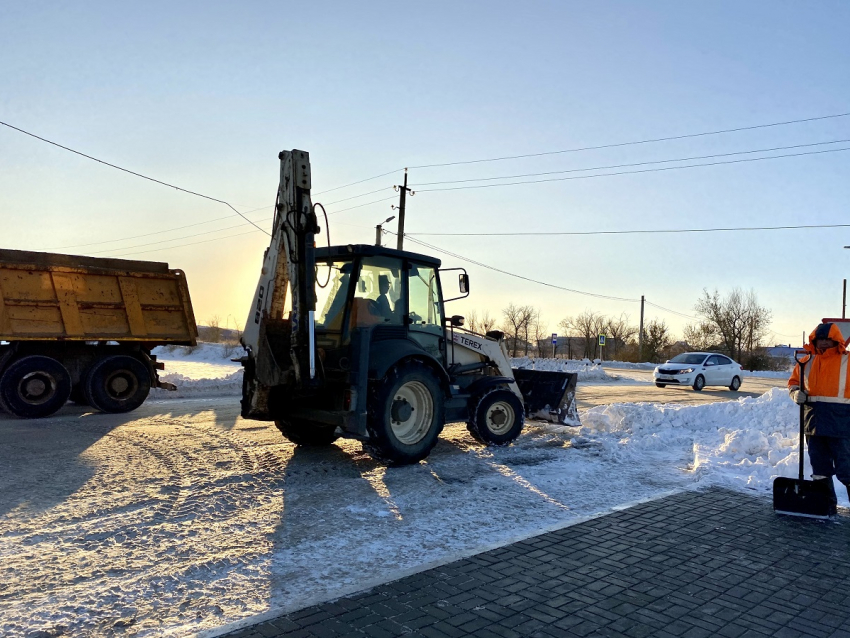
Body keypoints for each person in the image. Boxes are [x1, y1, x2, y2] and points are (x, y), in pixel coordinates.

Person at [788, 322, 850, 514]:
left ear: (837, 341)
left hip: (842, 425)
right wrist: (795, 393)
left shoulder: (847, 362)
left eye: (827, 340)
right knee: (820, 469)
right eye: (819, 340)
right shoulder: (806, 361)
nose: (823, 343)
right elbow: (793, 383)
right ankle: (827, 506)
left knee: (846, 469)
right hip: (813, 423)